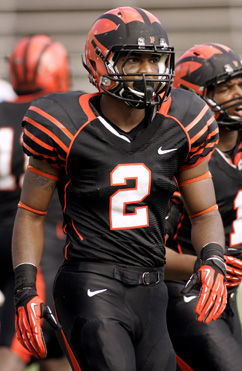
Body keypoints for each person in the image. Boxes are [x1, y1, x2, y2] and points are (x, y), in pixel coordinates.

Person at [11, 8, 227, 371]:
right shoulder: (63, 122)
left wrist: (214, 258)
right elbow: (31, 213)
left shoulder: (184, 121)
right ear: (99, 64)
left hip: (153, 287)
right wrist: (25, 287)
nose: (147, 71)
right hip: (91, 284)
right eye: (133, 60)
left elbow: (204, 212)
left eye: (154, 60)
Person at [165, 43, 242, 371]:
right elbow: (144, 252)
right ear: (196, 98)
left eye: (241, 84)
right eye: (226, 88)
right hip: (184, 292)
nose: (238, 94)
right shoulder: (183, 160)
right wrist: (206, 265)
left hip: (222, 291)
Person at [0, 34, 70, 371]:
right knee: (18, 339)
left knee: (54, 349)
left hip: (5, 232)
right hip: (33, 246)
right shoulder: (55, 116)